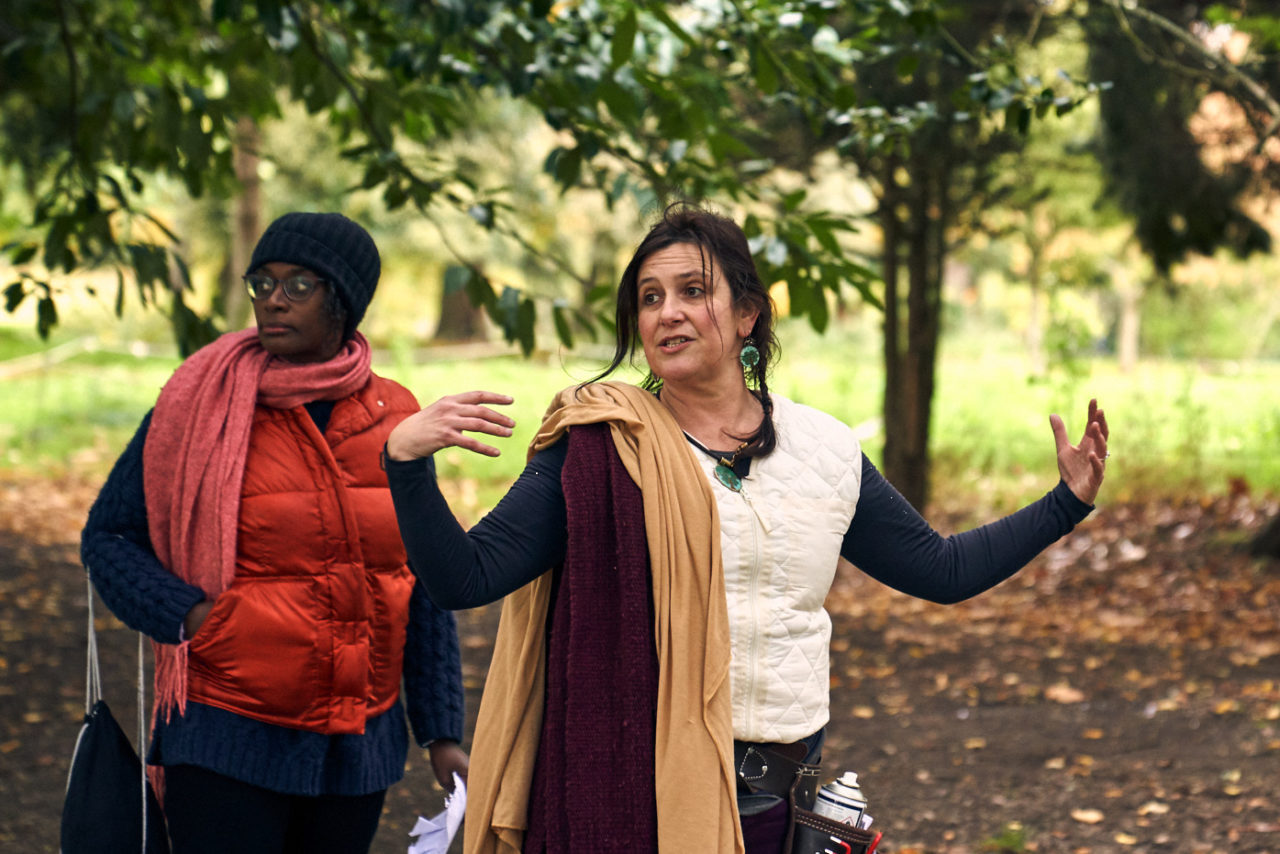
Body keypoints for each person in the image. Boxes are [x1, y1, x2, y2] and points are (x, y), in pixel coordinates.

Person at [384, 203, 1109, 854]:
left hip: (784, 807)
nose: (668, 313)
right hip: (643, 803)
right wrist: (407, 464)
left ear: (746, 315)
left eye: (693, 292)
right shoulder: (603, 448)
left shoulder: (822, 448)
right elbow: (463, 578)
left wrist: (1065, 502)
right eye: (650, 298)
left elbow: (941, 571)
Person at [80, 212, 469, 854]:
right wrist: (197, 619)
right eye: (262, 283)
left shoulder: (394, 413)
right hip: (226, 731)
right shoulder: (198, 404)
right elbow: (108, 538)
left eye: (297, 286)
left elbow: (417, 573)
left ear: (343, 299)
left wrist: (441, 731)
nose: (271, 302)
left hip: (357, 748)